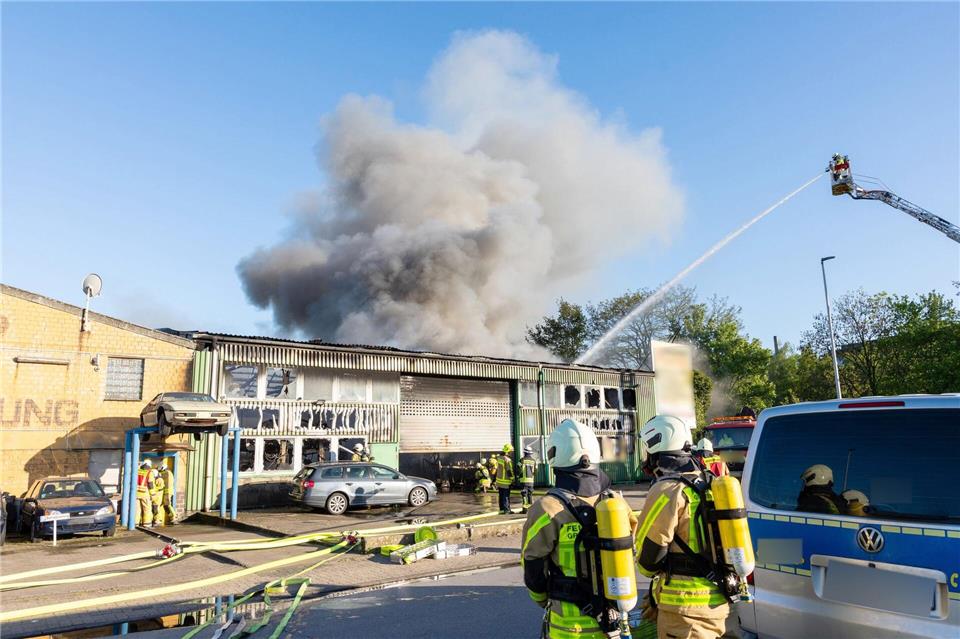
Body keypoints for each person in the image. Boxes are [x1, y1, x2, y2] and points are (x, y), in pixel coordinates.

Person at [521, 419, 631, 638]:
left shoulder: (547, 508)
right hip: (615, 624)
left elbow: (533, 567)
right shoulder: (616, 503)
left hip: (569, 629)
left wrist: (543, 600)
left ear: (555, 455)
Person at [636, 415, 733, 639]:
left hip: (685, 610)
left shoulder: (667, 489)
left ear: (656, 445)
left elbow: (648, 560)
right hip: (718, 601)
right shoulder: (709, 481)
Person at [495, 443, 515, 514]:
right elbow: (509, 470)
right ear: (507, 451)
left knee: (501, 495)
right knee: (506, 496)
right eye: (511, 451)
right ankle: (507, 510)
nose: (511, 452)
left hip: (499, 480)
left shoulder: (499, 458)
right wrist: (513, 479)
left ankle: (501, 509)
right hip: (505, 481)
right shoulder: (507, 460)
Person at [136, 459, 154, 527]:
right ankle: (147, 523)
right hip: (144, 493)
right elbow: (150, 484)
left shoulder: (138, 471)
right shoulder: (149, 472)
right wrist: (153, 494)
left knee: (137, 509)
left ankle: (135, 523)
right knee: (147, 509)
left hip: (136, 493)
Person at [159, 460, 177, 525]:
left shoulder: (167, 473)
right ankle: (171, 517)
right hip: (166, 492)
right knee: (165, 506)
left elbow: (166, 483)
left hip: (167, 492)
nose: (160, 470)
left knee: (167, 505)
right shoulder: (167, 472)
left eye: (160, 468)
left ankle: (174, 517)